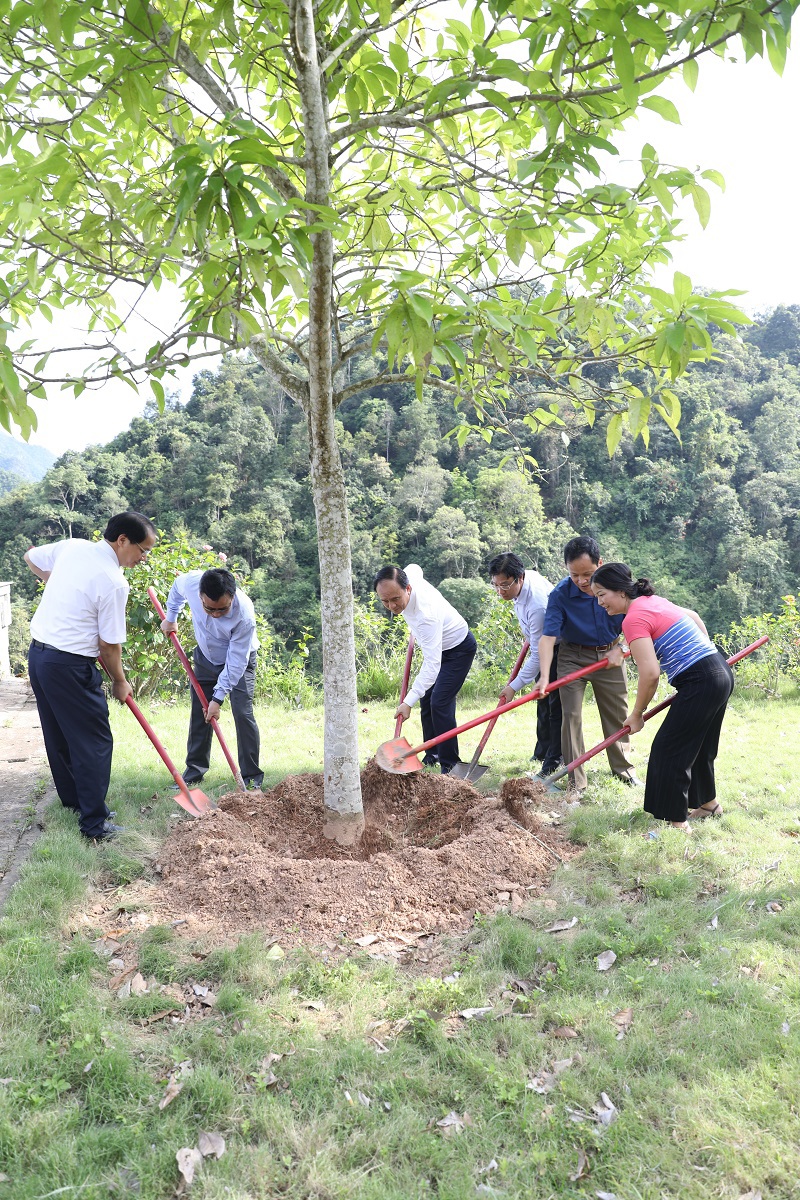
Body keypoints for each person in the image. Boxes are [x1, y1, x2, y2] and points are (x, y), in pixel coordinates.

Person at [24, 511, 158, 842]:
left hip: (40, 658)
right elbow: (109, 646)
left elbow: (31, 556)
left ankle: (77, 803)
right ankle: (95, 825)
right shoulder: (113, 582)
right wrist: (119, 680)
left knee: (60, 736)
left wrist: (53, 582)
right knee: (94, 742)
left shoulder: (74, 547)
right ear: (122, 540)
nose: (144, 558)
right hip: (69, 665)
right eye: (143, 549)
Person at [591, 563, 734, 832]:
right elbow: (691, 615)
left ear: (621, 591)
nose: (600, 603)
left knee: (669, 750)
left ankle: (677, 824)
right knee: (700, 746)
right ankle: (709, 804)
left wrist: (636, 714)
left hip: (701, 680)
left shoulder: (632, 619)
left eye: (601, 594)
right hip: (719, 670)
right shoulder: (652, 601)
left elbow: (650, 673)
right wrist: (707, 650)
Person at [534, 536, 640, 794]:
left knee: (617, 714)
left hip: (611, 653)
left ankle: (624, 770)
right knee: (570, 717)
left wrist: (622, 648)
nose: (582, 581)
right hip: (573, 656)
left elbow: (640, 617)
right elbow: (547, 638)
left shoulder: (617, 586)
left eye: (588, 574)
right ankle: (576, 782)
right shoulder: (560, 594)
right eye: (574, 575)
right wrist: (545, 676)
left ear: (600, 564)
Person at [161, 567, 263, 790]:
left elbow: (236, 662)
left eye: (222, 609)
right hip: (206, 656)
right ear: (199, 596)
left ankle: (251, 778)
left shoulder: (244, 614)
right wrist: (171, 618)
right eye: (209, 608)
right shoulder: (191, 583)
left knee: (242, 713)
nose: (216, 614)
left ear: (232, 597)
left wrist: (217, 699)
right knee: (201, 712)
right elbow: (176, 589)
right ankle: (194, 772)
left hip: (239, 660)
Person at [374, 564, 477, 774]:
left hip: (458, 649)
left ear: (408, 589)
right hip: (436, 646)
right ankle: (432, 754)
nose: (392, 605)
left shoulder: (425, 615)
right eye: (385, 600)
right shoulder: (408, 577)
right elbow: (415, 567)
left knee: (439, 701)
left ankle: (450, 765)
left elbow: (432, 666)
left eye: (395, 599)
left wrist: (406, 702)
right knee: (427, 699)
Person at [487, 552, 562, 777]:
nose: (500, 591)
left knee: (555, 707)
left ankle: (554, 761)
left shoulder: (537, 605)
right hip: (540, 641)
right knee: (543, 704)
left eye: (505, 585)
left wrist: (514, 686)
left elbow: (540, 656)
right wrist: (530, 634)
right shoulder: (519, 585)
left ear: (520, 578)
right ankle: (541, 752)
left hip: (558, 649)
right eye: (496, 585)